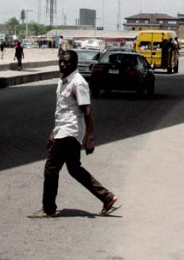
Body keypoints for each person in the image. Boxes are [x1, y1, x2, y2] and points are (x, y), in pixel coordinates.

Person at [28, 50, 120, 219]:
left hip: (70, 131)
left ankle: (49, 209)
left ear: (75, 63)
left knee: (51, 169)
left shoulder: (78, 82)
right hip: (63, 129)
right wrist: (54, 132)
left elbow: (87, 111)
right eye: (61, 61)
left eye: (67, 62)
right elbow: (63, 111)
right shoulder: (63, 80)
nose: (63, 64)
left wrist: (90, 138)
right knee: (74, 169)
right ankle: (107, 197)